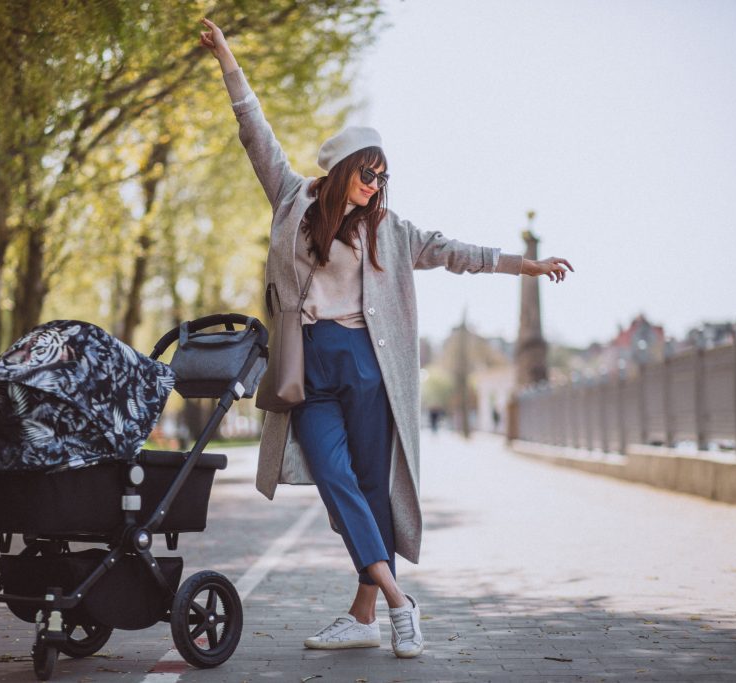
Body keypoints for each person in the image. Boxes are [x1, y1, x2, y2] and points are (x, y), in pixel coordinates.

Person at [200, 18, 572, 659]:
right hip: (306, 365)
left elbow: (455, 252)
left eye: (382, 177)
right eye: (366, 174)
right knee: (337, 481)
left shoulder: (390, 230)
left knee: (373, 485)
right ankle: (401, 605)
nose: (375, 185)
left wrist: (525, 265)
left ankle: (366, 613)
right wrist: (227, 58)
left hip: (369, 366)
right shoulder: (291, 201)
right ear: (343, 170)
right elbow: (253, 131)